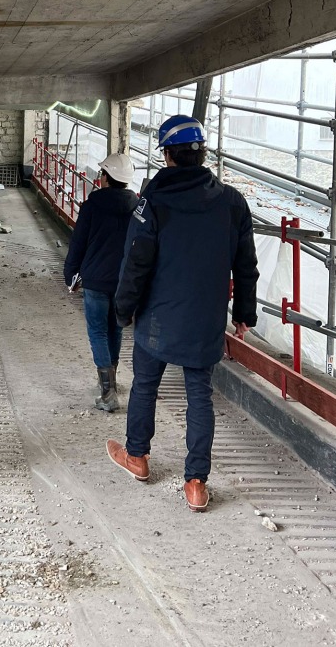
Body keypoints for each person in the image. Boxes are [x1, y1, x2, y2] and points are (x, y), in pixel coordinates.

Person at [107, 115, 258, 512]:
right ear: (202, 154)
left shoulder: (153, 202)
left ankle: (137, 458)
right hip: (205, 319)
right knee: (199, 397)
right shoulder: (232, 202)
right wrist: (244, 312)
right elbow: (245, 265)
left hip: (157, 317)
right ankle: (195, 484)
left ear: (168, 157)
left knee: (145, 386)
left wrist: (122, 310)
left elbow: (135, 262)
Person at [63, 153, 138, 412]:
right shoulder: (138, 206)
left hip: (95, 279)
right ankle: (111, 382)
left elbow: (78, 243)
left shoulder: (92, 204)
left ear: (106, 177)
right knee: (115, 329)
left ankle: (107, 392)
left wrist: (70, 274)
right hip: (123, 280)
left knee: (97, 331)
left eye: (101, 173)